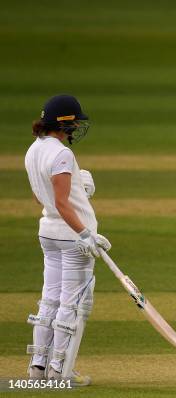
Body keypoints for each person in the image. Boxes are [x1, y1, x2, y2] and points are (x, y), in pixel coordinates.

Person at [24, 94, 111, 385]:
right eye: (74, 122)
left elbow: (43, 196)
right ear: (65, 124)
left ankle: (38, 366)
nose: (76, 127)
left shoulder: (33, 150)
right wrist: (86, 234)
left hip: (48, 233)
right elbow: (62, 203)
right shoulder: (63, 154)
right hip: (72, 237)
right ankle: (60, 370)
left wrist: (79, 192)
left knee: (50, 298)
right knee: (72, 304)